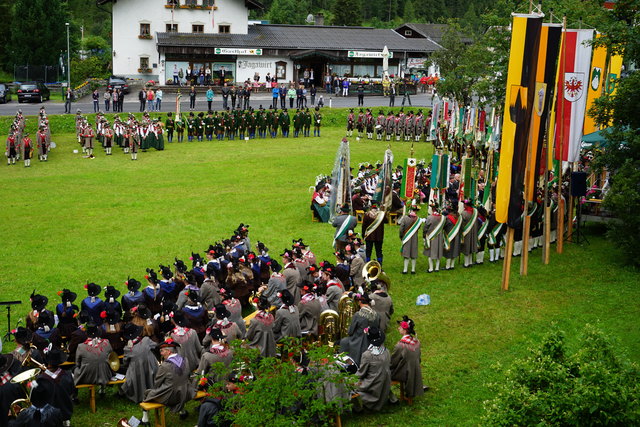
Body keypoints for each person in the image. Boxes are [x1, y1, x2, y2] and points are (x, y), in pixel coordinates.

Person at [142, 338, 195, 422]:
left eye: (162, 351)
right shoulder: (185, 360)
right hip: (186, 393)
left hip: (171, 396)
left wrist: (158, 390)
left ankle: (145, 419)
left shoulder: (165, 366)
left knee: (147, 393)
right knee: (178, 385)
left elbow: (157, 383)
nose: (161, 353)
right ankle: (182, 411)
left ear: (169, 352)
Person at [355, 326, 391, 411]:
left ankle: (357, 406)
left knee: (348, 382)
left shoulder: (367, 355)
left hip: (373, 385)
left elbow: (361, 373)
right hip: (384, 384)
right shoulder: (387, 352)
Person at [339, 293, 380, 366]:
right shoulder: (377, 315)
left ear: (360, 302)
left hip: (358, 341)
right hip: (372, 341)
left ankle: (345, 364)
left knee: (343, 342)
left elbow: (350, 332)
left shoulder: (358, 315)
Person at [390, 316, 425, 400]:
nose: (398, 328)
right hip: (415, 370)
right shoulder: (417, 342)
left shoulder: (401, 345)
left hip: (404, 373)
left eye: (400, 327)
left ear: (405, 330)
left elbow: (393, 362)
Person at [73, 322, 113, 390]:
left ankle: (74, 396)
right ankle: (102, 389)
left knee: (74, 369)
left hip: (86, 377)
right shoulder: (107, 342)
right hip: (104, 375)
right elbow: (111, 357)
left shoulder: (81, 346)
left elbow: (77, 363)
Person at [398, 204, 423, 274]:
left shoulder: (405, 218)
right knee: (413, 253)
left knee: (406, 254)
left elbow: (401, 229)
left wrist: (401, 236)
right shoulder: (418, 219)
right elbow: (418, 228)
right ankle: (413, 270)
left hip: (406, 237)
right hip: (414, 237)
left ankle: (405, 270)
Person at [423, 202, 445, 273]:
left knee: (430, 253)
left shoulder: (430, 217)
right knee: (438, 252)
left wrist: (424, 236)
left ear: (432, 209)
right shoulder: (443, 218)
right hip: (440, 237)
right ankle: (437, 268)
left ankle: (431, 268)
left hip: (431, 237)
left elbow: (425, 228)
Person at [461, 199, 479, 268]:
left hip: (466, 232)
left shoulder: (464, 213)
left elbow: (462, 225)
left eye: (464, 204)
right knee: (471, 246)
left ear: (466, 205)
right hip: (473, 232)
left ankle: (466, 263)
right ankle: (470, 262)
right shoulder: (475, 212)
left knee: (467, 247)